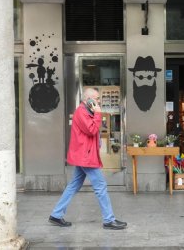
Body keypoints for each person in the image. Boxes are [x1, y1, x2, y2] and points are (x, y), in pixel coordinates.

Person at [48, 87, 127, 230]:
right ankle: (109, 220)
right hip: (86, 156)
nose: (99, 101)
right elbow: (91, 130)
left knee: (74, 185)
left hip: (85, 154)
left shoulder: (86, 111)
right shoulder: (81, 112)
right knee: (101, 186)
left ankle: (56, 214)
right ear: (87, 100)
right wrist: (98, 114)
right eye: (96, 98)